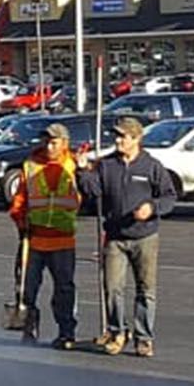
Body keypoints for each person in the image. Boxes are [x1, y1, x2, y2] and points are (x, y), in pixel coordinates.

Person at [79, 116, 177, 357]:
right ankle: (117, 332)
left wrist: (152, 208)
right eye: (117, 135)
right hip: (115, 236)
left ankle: (143, 337)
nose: (118, 140)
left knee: (146, 289)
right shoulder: (107, 164)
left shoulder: (151, 166)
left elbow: (169, 197)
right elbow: (94, 192)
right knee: (112, 287)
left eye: (123, 136)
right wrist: (83, 171)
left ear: (136, 139)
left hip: (145, 237)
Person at [10, 121, 82, 348]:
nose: (48, 147)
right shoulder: (31, 165)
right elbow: (20, 198)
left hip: (62, 239)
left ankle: (66, 332)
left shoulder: (74, 165)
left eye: (53, 142)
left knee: (64, 288)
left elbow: (87, 192)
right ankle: (29, 329)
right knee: (26, 288)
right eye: (46, 142)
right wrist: (20, 221)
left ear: (64, 143)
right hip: (34, 238)